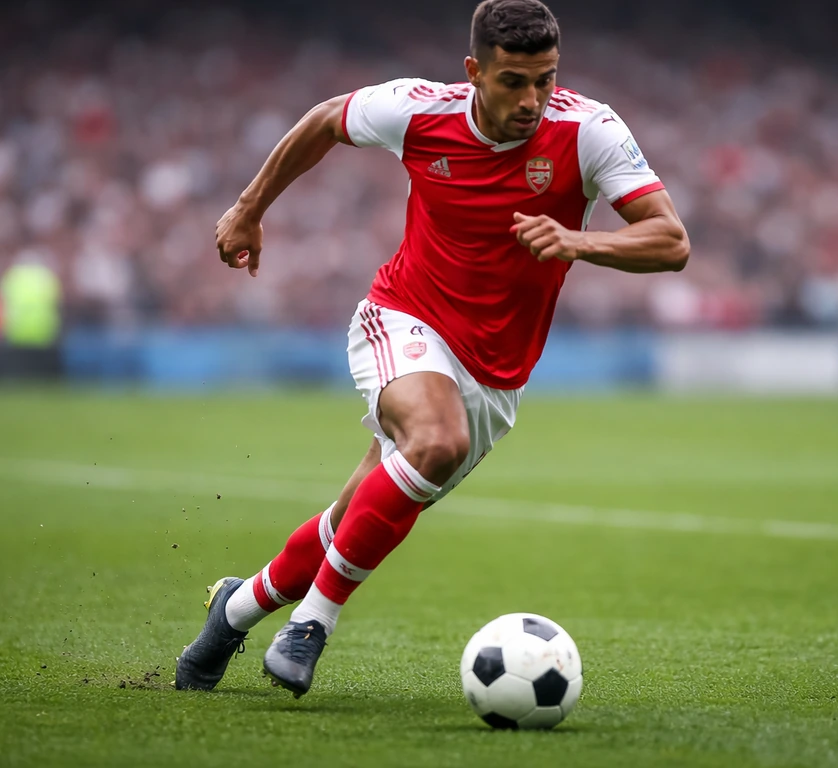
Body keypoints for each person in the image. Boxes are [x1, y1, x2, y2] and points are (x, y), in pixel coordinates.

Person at [175, 0, 689, 697]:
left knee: (355, 515)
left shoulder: (589, 130)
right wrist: (247, 209)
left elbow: (670, 240)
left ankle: (231, 613)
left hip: (496, 375)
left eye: (545, 78)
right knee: (435, 440)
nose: (531, 99)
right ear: (474, 72)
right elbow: (325, 119)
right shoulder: (418, 111)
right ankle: (313, 624)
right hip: (403, 316)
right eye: (513, 81)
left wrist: (580, 241)